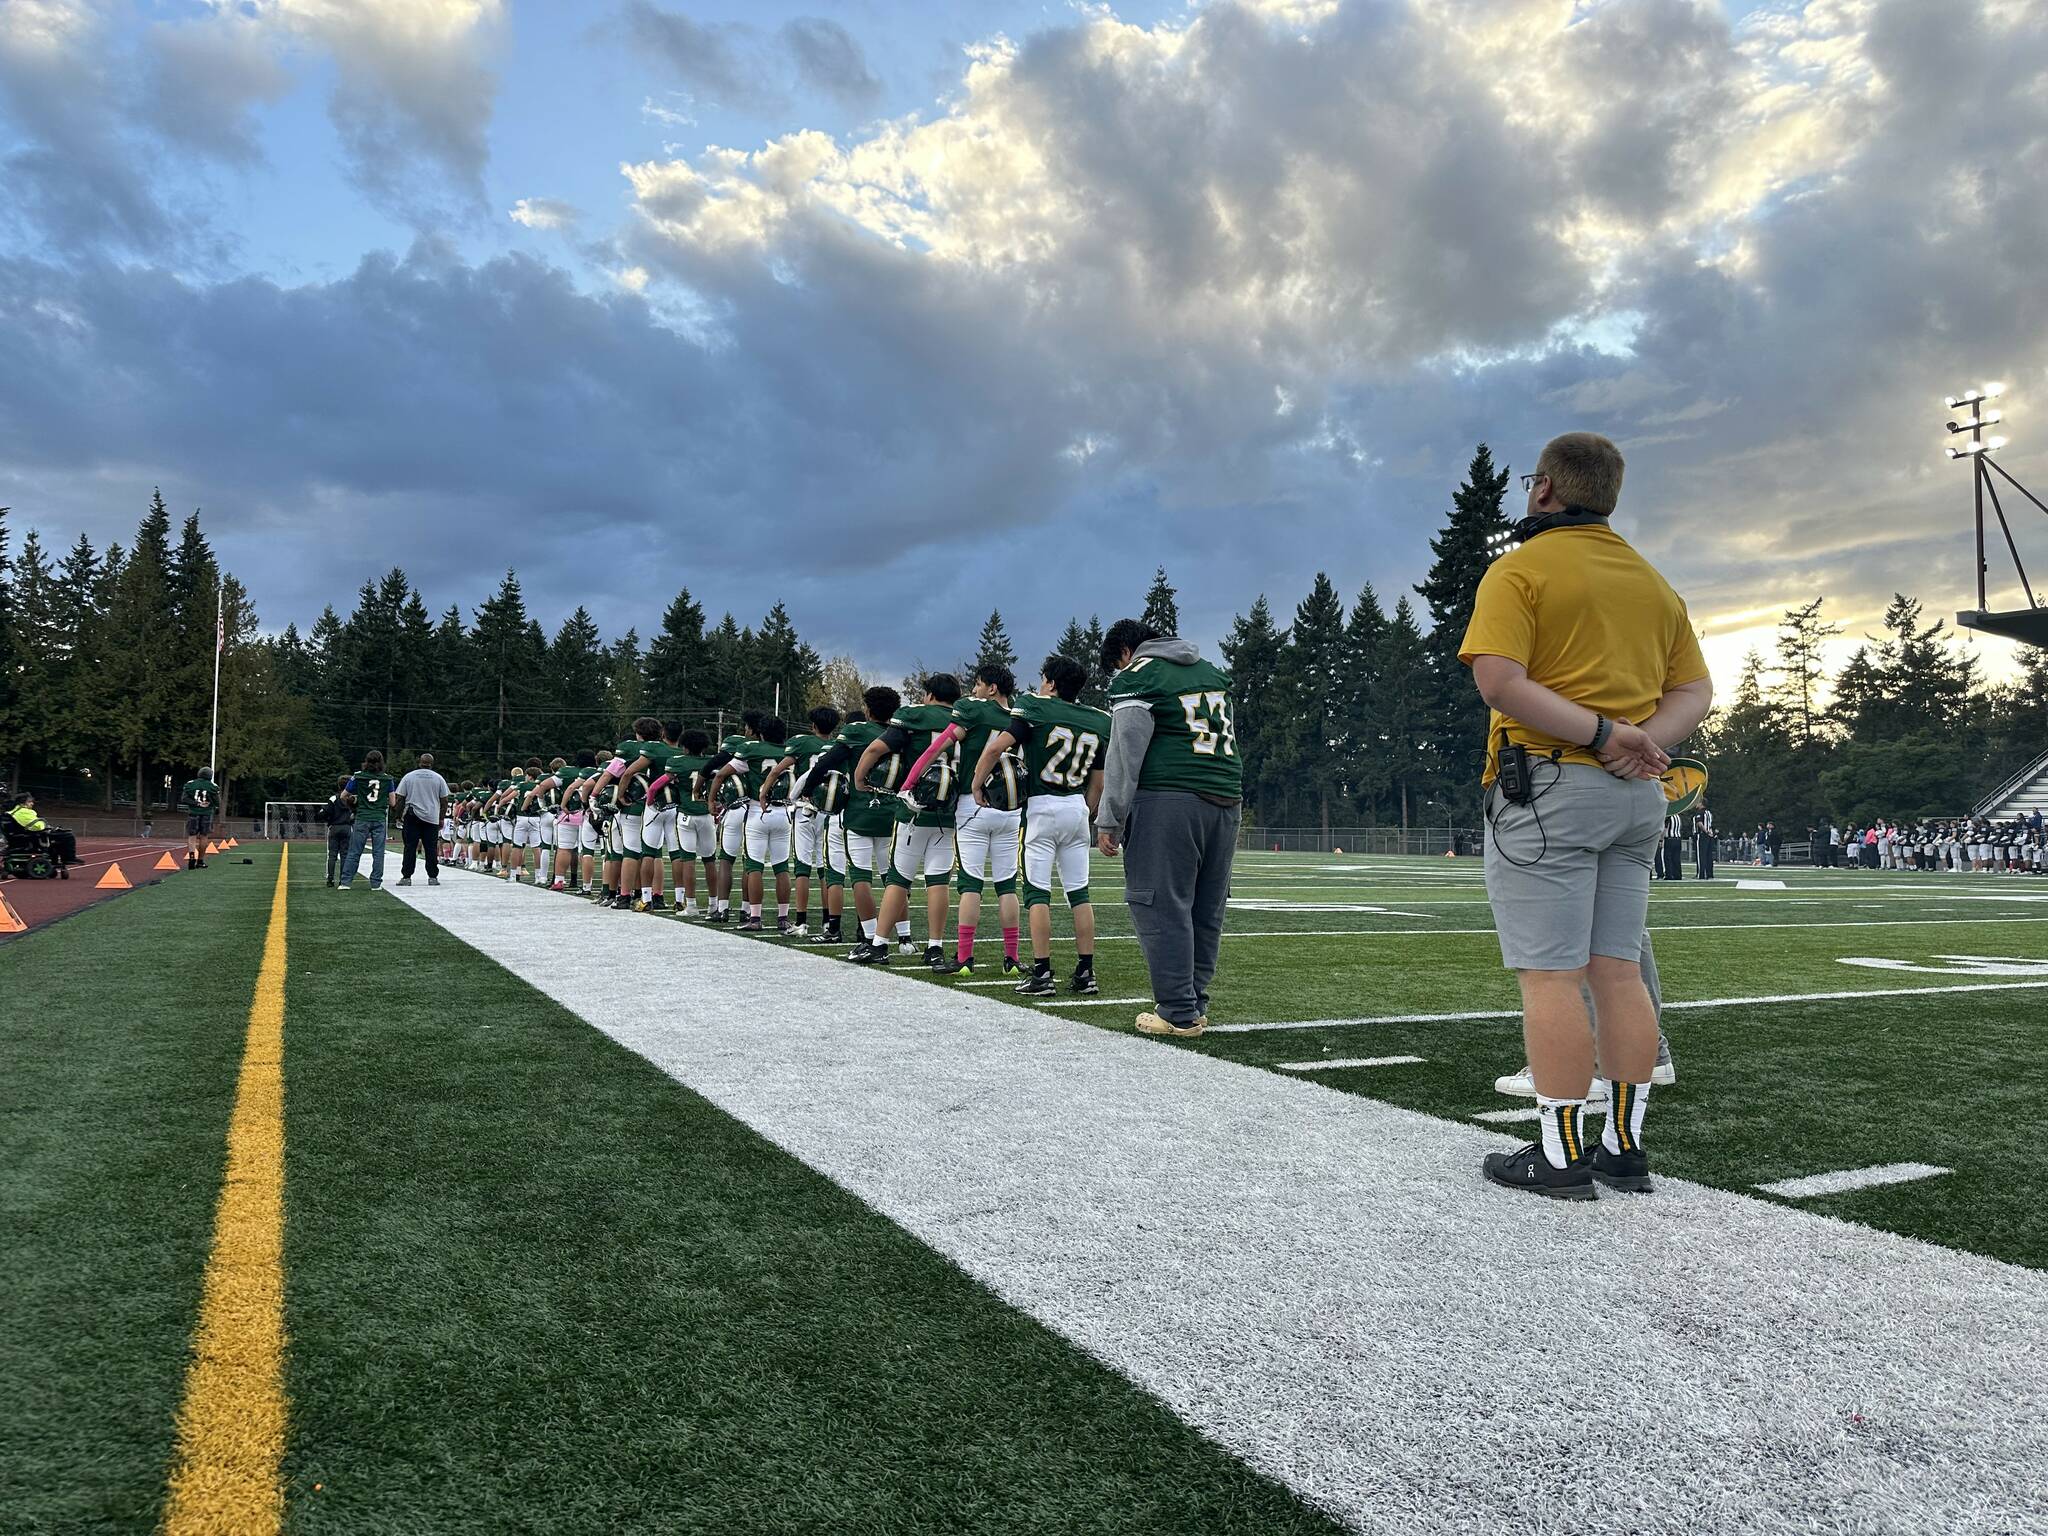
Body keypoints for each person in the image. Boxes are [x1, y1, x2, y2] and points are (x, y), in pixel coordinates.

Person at [1459, 431, 1712, 1200]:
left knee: (1551, 978)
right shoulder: (1652, 581)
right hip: (1634, 798)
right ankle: (1623, 1150)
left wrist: (1602, 735)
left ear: (1544, 490)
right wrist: (1639, 745)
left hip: (1549, 787)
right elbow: (1696, 693)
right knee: (1617, 971)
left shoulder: (1521, 569)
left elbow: (1499, 681)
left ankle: (1561, 1158)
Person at [1095, 616, 1243, 1038]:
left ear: (1125, 652)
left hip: (1170, 800)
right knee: (1205, 907)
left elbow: (1125, 752)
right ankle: (1193, 1002)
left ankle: (1177, 1010)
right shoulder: (1211, 671)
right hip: (1226, 799)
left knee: (1159, 902)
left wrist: (1110, 817)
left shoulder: (1139, 675)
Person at [974, 655, 1108, 995]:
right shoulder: (1097, 719)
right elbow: (1099, 781)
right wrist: (1086, 811)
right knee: (1079, 893)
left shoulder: (1035, 706)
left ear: (1049, 682)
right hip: (1076, 808)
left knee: (1037, 893)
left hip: (1042, 807)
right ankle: (1086, 972)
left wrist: (977, 783)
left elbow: (995, 749)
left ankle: (1043, 973)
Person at [337, 750, 394, 891]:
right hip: (379, 818)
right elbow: (393, 802)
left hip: (362, 817)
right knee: (378, 852)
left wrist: (354, 803)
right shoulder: (388, 779)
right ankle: (375, 883)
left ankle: (346, 882)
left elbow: (343, 796)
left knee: (354, 851)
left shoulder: (358, 777)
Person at [392, 752, 450, 887]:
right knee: (430, 849)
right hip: (431, 818)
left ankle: (406, 877)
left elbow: (400, 798)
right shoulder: (438, 778)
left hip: (412, 816)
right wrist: (441, 817)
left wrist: (398, 815)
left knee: (409, 847)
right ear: (432, 764)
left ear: (419, 762)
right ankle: (432, 877)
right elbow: (444, 800)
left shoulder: (409, 777)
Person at [8, 792, 79, 870]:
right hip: (34, 835)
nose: (32, 804)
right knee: (67, 835)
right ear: (22, 803)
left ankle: (58, 859)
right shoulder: (24, 812)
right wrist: (46, 826)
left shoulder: (12, 812)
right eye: (29, 802)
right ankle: (69, 858)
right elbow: (38, 826)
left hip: (23, 835)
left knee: (57, 837)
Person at [179, 766, 218, 870]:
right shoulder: (213, 786)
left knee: (192, 836)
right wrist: (207, 804)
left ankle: (192, 858)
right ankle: (200, 861)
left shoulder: (190, 784)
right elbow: (217, 802)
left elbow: (184, 798)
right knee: (204, 836)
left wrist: (196, 803)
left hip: (193, 812)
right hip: (207, 813)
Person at [320, 775, 355, 886]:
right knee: (345, 855)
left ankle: (330, 879)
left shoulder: (334, 798)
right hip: (347, 827)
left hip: (334, 827)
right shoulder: (353, 798)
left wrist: (328, 820)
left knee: (332, 855)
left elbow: (323, 812)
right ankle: (342, 880)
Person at [1693, 803, 1715, 880]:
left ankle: (1701, 874)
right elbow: (1710, 825)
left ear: (1701, 804)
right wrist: (1710, 832)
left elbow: (1699, 823)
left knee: (1701, 855)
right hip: (1709, 836)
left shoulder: (1700, 812)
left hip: (1702, 835)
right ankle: (1709, 874)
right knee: (1708, 856)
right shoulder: (1708, 812)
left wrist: (1706, 831)